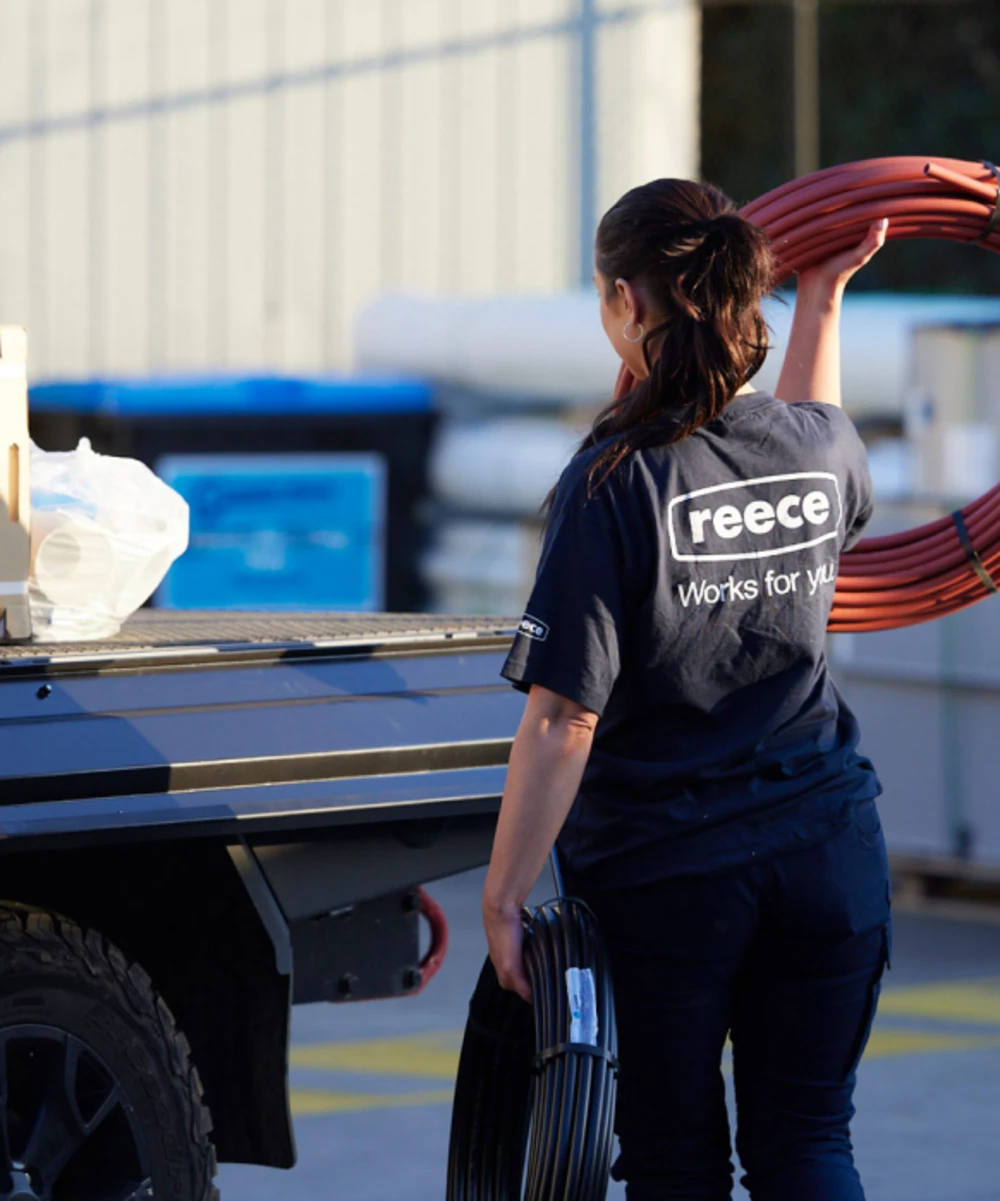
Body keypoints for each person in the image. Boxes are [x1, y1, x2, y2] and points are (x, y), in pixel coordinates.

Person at [482, 178, 891, 1201]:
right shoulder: (822, 449)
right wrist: (826, 300)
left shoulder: (613, 481)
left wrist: (501, 895)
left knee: (674, 1161)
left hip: (668, 881)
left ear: (624, 301)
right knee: (807, 1144)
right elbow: (804, 424)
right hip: (828, 855)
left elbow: (563, 716)